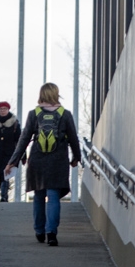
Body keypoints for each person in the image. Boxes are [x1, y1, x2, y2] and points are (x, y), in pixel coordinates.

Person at [9, 82, 81, 246]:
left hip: (38, 159)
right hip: (58, 159)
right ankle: (52, 233)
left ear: (41, 94)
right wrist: (77, 157)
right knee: (53, 196)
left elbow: (24, 139)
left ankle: (39, 230)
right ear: (56, 94)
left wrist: (13, 162)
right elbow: (73, 138)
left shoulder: (34, 114)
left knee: (39, 196)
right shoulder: (65, 114)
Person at [0, 100, 21, 202]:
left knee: (5, 173)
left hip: (10, 152)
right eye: (1, 109)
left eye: (5, 109)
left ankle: (4, 195)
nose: (3, 111)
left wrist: (22, 155)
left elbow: (19, 139)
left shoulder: (14, 123)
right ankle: (3, 192)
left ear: (8, 110)